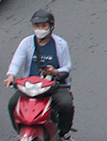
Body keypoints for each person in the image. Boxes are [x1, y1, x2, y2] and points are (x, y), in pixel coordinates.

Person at [5, 10, 74, 139]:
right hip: (30, 86)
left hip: (54, 86)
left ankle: (63, 132)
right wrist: (11, 76)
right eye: (37, 26)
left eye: (43, 26)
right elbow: (16, 62)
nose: (40, 29)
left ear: (51, 27)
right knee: (12, 103)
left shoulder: (60, 44)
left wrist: (55, 72)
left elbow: (67, 67)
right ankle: (20, 129)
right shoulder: (26, 43)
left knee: (66, 105)